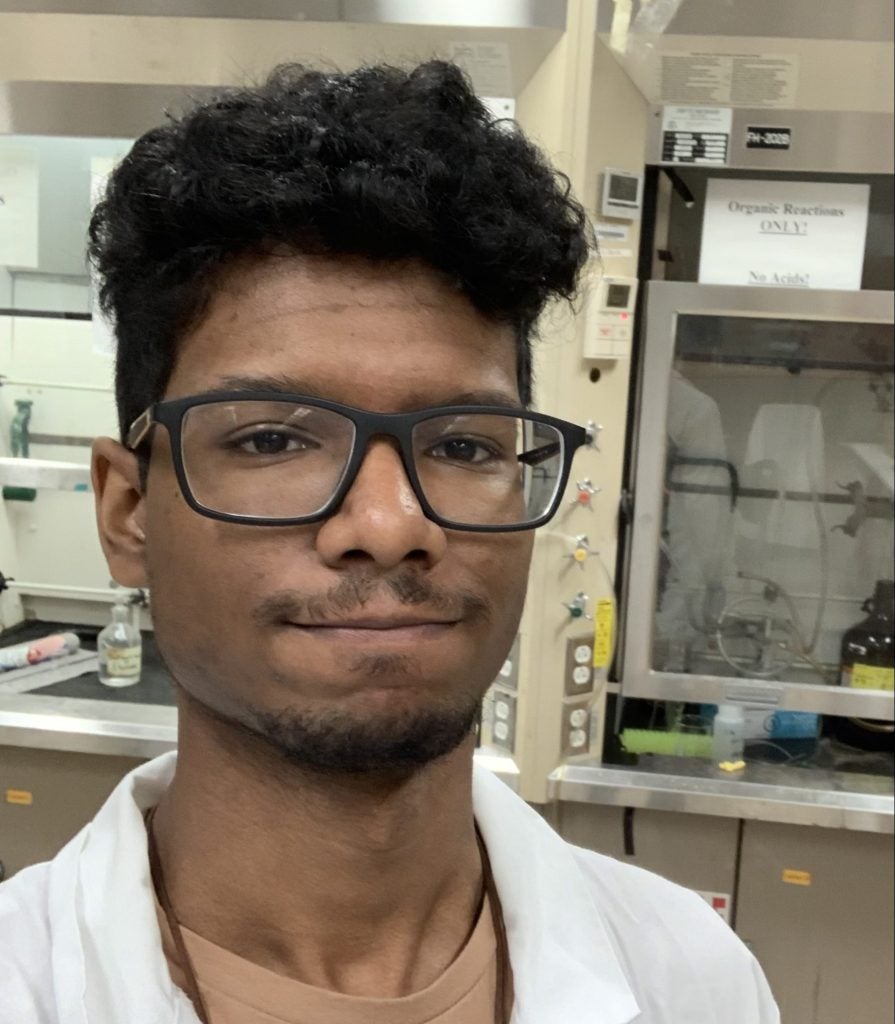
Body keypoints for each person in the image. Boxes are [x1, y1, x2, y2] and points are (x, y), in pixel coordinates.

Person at [0, 62, 779, 1023]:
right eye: (272, 438)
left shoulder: (693, 979)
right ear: (127, 512)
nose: (388, 526)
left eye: (462, 444)